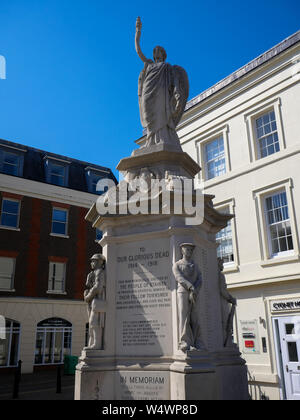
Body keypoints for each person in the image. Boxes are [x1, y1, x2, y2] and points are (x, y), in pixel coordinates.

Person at [135, 17, 189, 150]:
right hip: (148, 91)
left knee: (161, 114)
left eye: (159, 50)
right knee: (148, 114)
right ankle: (150, 139)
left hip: (162, 92)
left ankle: (162, 138)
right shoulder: (149, 63)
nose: (156, 52)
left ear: (163, 54)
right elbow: (138, 50)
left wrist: (177, 93)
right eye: (155, 51)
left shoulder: (167, 67)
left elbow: (175, 82)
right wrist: (138, 32)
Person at [172, 243, 203, 352]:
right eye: (187, 249)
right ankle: (185, 341)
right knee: (184, 317)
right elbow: (178, 277)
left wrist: (196, 288)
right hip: (183, 292)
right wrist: (190, 286)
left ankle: (197, 341)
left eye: (191, 249)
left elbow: (200, 277)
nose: (189, 251)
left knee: (195, 318)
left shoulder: (195, 265)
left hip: (194, 293)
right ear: (182, 251)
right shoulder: (177, 264)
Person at [84, 254, 106, 349]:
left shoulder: (100, 272)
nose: (92, 263)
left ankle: (97, 344)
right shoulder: (93, 273)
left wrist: (88, 296)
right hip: (93, 301)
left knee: (95, 322)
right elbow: (89, 286)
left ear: (99, 262)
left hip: (98, 300)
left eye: (94, 261)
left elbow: (98, 287)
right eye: (92, 261)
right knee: (91, 323)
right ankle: (92, 342)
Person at [218, 257, 237, 346]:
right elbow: (223, 290)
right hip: (222, 302)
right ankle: (226, 343)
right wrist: (231, 298)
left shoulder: (215, 275)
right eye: (221, 264)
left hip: (220, 302)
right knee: (225, 323)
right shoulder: (220, 275)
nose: (223, 266)